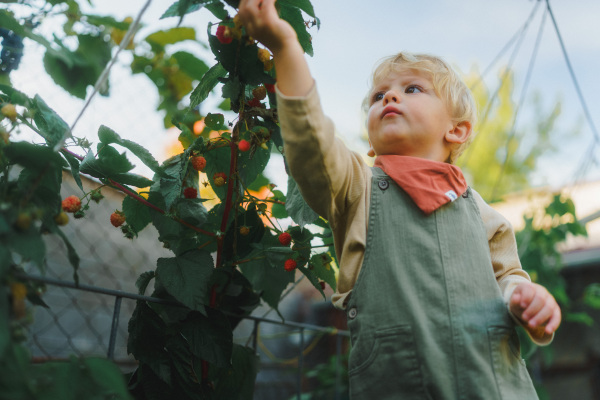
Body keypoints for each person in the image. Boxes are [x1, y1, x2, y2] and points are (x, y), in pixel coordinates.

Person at [238, 1, 561, 398]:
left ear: (457, 131)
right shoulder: (357, 187)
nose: (389, 98)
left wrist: (526, 299)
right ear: (371, 141)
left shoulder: (485, 216)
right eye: (378, 97)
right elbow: (311, 143)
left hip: (494, 386)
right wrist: (286, 47)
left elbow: (508, 279)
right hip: (398, 385)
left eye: (411, 89)